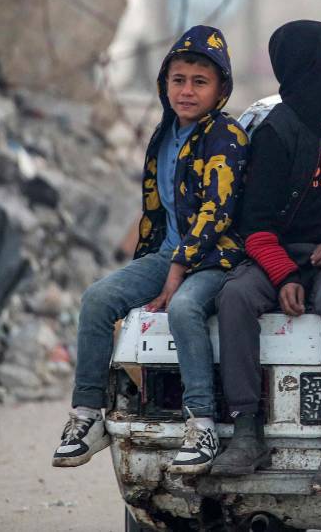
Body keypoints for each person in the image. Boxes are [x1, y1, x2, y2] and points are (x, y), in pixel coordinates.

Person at [53, 26, 249, 474]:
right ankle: (87, 416)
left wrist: (176, 272)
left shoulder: (226, 136)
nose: (186, 91)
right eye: (178, 80)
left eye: (200, 82)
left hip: (216, 257)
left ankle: (200, 424)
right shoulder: (164, 136)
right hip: (168, 253)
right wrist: (149, 269)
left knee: (182, 309)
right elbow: (157, 214)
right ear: (164, 83)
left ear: (221, 88)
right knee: (98, 300)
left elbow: (217, 212)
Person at [211, 21, 321, 484]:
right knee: (234, 298)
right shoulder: (274, 134)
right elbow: (254, 226)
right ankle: (246, 427)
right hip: (278, 254)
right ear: (318, 69)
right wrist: (283, 277)